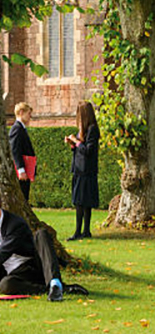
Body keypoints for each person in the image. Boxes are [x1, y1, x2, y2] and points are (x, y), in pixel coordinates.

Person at [0, 187, 88, 301]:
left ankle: (55, 283)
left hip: (31, 268)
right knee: (6, 285)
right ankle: (50, 289)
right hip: (12, 275)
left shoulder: (15, 224)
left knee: (41, 234)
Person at [65, 101, 101, 240]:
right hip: (79, 170)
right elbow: (80, 150)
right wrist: (73, 144)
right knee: (80, 201)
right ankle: (83, 231)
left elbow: (88, 150)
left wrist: (77, 142)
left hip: (87, 171)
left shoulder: (92, 129)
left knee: (82, 202)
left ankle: (81, 231)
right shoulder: (83, 129)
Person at [9, 102, 36, 202]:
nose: (30, 117)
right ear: (21, 112)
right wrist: (21, 170)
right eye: (28, 114)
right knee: (22, 196)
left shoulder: (21, 129)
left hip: (26, 169)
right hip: (22, 171)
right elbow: (15, 150)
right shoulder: (17, 129)